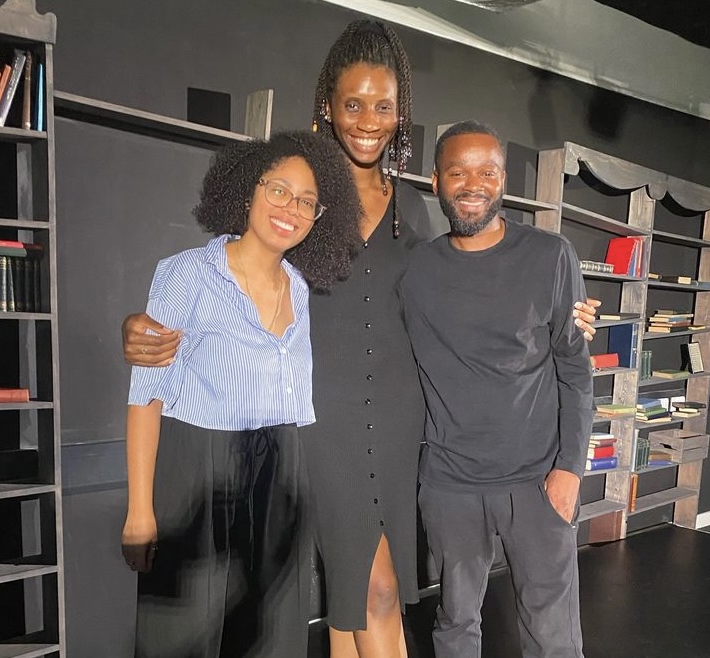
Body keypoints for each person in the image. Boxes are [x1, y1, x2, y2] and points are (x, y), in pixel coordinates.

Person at [121, 20, 599, 658]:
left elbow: (464, 294)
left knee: (366, 600)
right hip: (328, 425)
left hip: (407, 428)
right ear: (328, 105)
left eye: (383, 105)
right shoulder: (303, 201)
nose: (368, 120)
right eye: (353, 103)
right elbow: (235, 273)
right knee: (366, 592)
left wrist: (564, 317)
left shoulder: (417, 209)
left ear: (400, 113)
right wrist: (143, 328)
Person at [120, 131, 362, 658]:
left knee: (273, 636)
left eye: (306, 202)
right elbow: (147, 394)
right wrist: (141, 510)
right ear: (248, 190)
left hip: (282, 473)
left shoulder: (300, 287)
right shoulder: (186, 274)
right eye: (279, 190)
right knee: (184, 637)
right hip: (198, 471)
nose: (291, 209)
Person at [400, 120, 594, 658]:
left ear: (503, 179)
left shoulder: (551, 256)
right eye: (457, 172)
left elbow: (575, 370)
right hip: (449, 485)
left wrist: (570, 470)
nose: (472, 184)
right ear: (436, 180)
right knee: (456, 621)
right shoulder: (415, 270)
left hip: (537, 482)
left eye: (486, 171)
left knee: (551, 628)